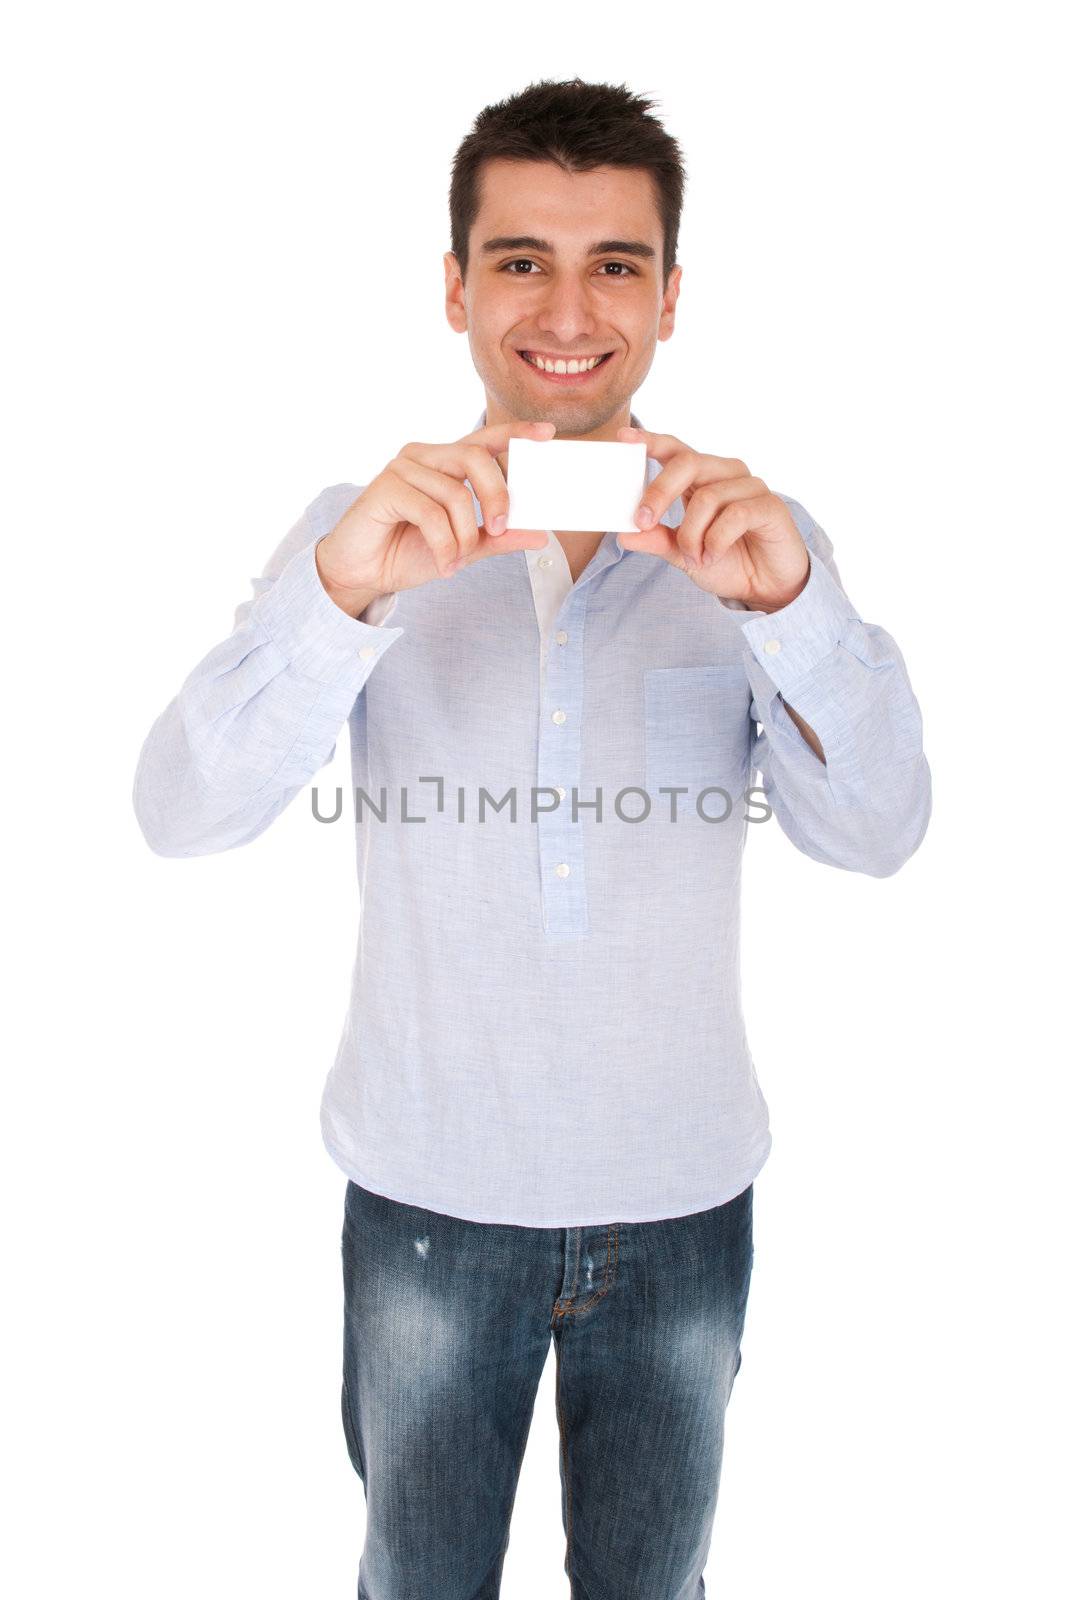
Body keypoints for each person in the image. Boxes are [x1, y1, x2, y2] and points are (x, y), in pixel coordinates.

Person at [133, 77, 931, 1600]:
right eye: (520, 259)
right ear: (455, 287)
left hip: (685, 1201)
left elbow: (880, 835)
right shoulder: (349, 529)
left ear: (670, 297)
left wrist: (792, 611)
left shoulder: (765, 543)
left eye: (615, 263)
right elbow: (182, 815)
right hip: (427, 1199)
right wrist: (341, 594)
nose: (567, 309)